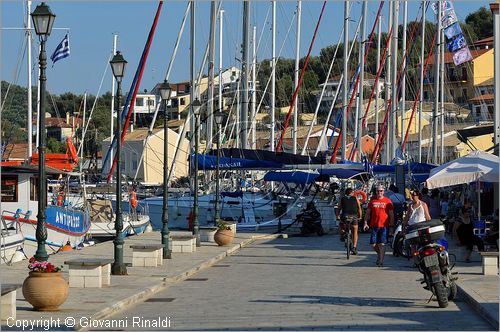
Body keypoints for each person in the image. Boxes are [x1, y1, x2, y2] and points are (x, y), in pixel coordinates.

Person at [363, 185, 394, 267]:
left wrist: (391, 226)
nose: (379, 192)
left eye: (381, 191)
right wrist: (365, 222)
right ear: (376, 192)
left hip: (384, 226)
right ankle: (380, 254)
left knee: (382, 244)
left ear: (383, 192)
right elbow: (368, 213)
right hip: (374, 225)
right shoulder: (372, 201)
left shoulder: (388, 201)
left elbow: (391, 215)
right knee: (373, 244)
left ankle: (381, 261)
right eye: (378, 191)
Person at [336, 188, 362, 255]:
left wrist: (337, 216)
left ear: (345, 193)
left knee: (341, 224)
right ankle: (354, 247)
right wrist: (360, 216)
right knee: (355, 231)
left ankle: (343, 233)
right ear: (352, 193)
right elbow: (359, 208)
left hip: (345, 216)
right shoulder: (355, 198)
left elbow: (339, 208)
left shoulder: (342, 198)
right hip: (354, 216)